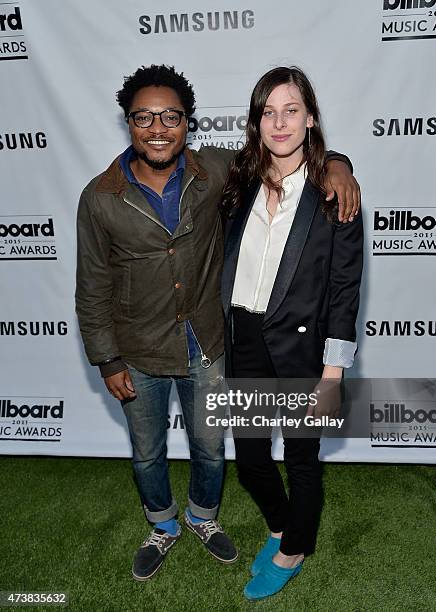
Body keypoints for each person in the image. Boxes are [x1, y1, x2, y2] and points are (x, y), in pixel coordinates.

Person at [75, 64, 360, 581]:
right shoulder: (115, 195)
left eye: (171, 116)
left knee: (237, 454)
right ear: (128, 123)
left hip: (243, 346)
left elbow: (341, 283)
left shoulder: (241, 177)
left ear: (188, 123)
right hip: (176, 346)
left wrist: (339, 163)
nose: (158, 127)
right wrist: (106, 355)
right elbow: (92, 284)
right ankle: (176, 525)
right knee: (179, 455)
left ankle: (271, 539)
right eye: (144, 117)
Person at [220, 66, 363, 600]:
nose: (279, 122)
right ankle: (282, 523)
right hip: (246, 339)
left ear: (311, 117)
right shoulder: (239, 181)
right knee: (253, 460)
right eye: (268, 111)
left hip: (304, 348)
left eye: (291, 110)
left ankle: (295, 546)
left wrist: (333, 372)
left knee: (302, 460)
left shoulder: (334, 193)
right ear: (256, 121)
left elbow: (345, 290)